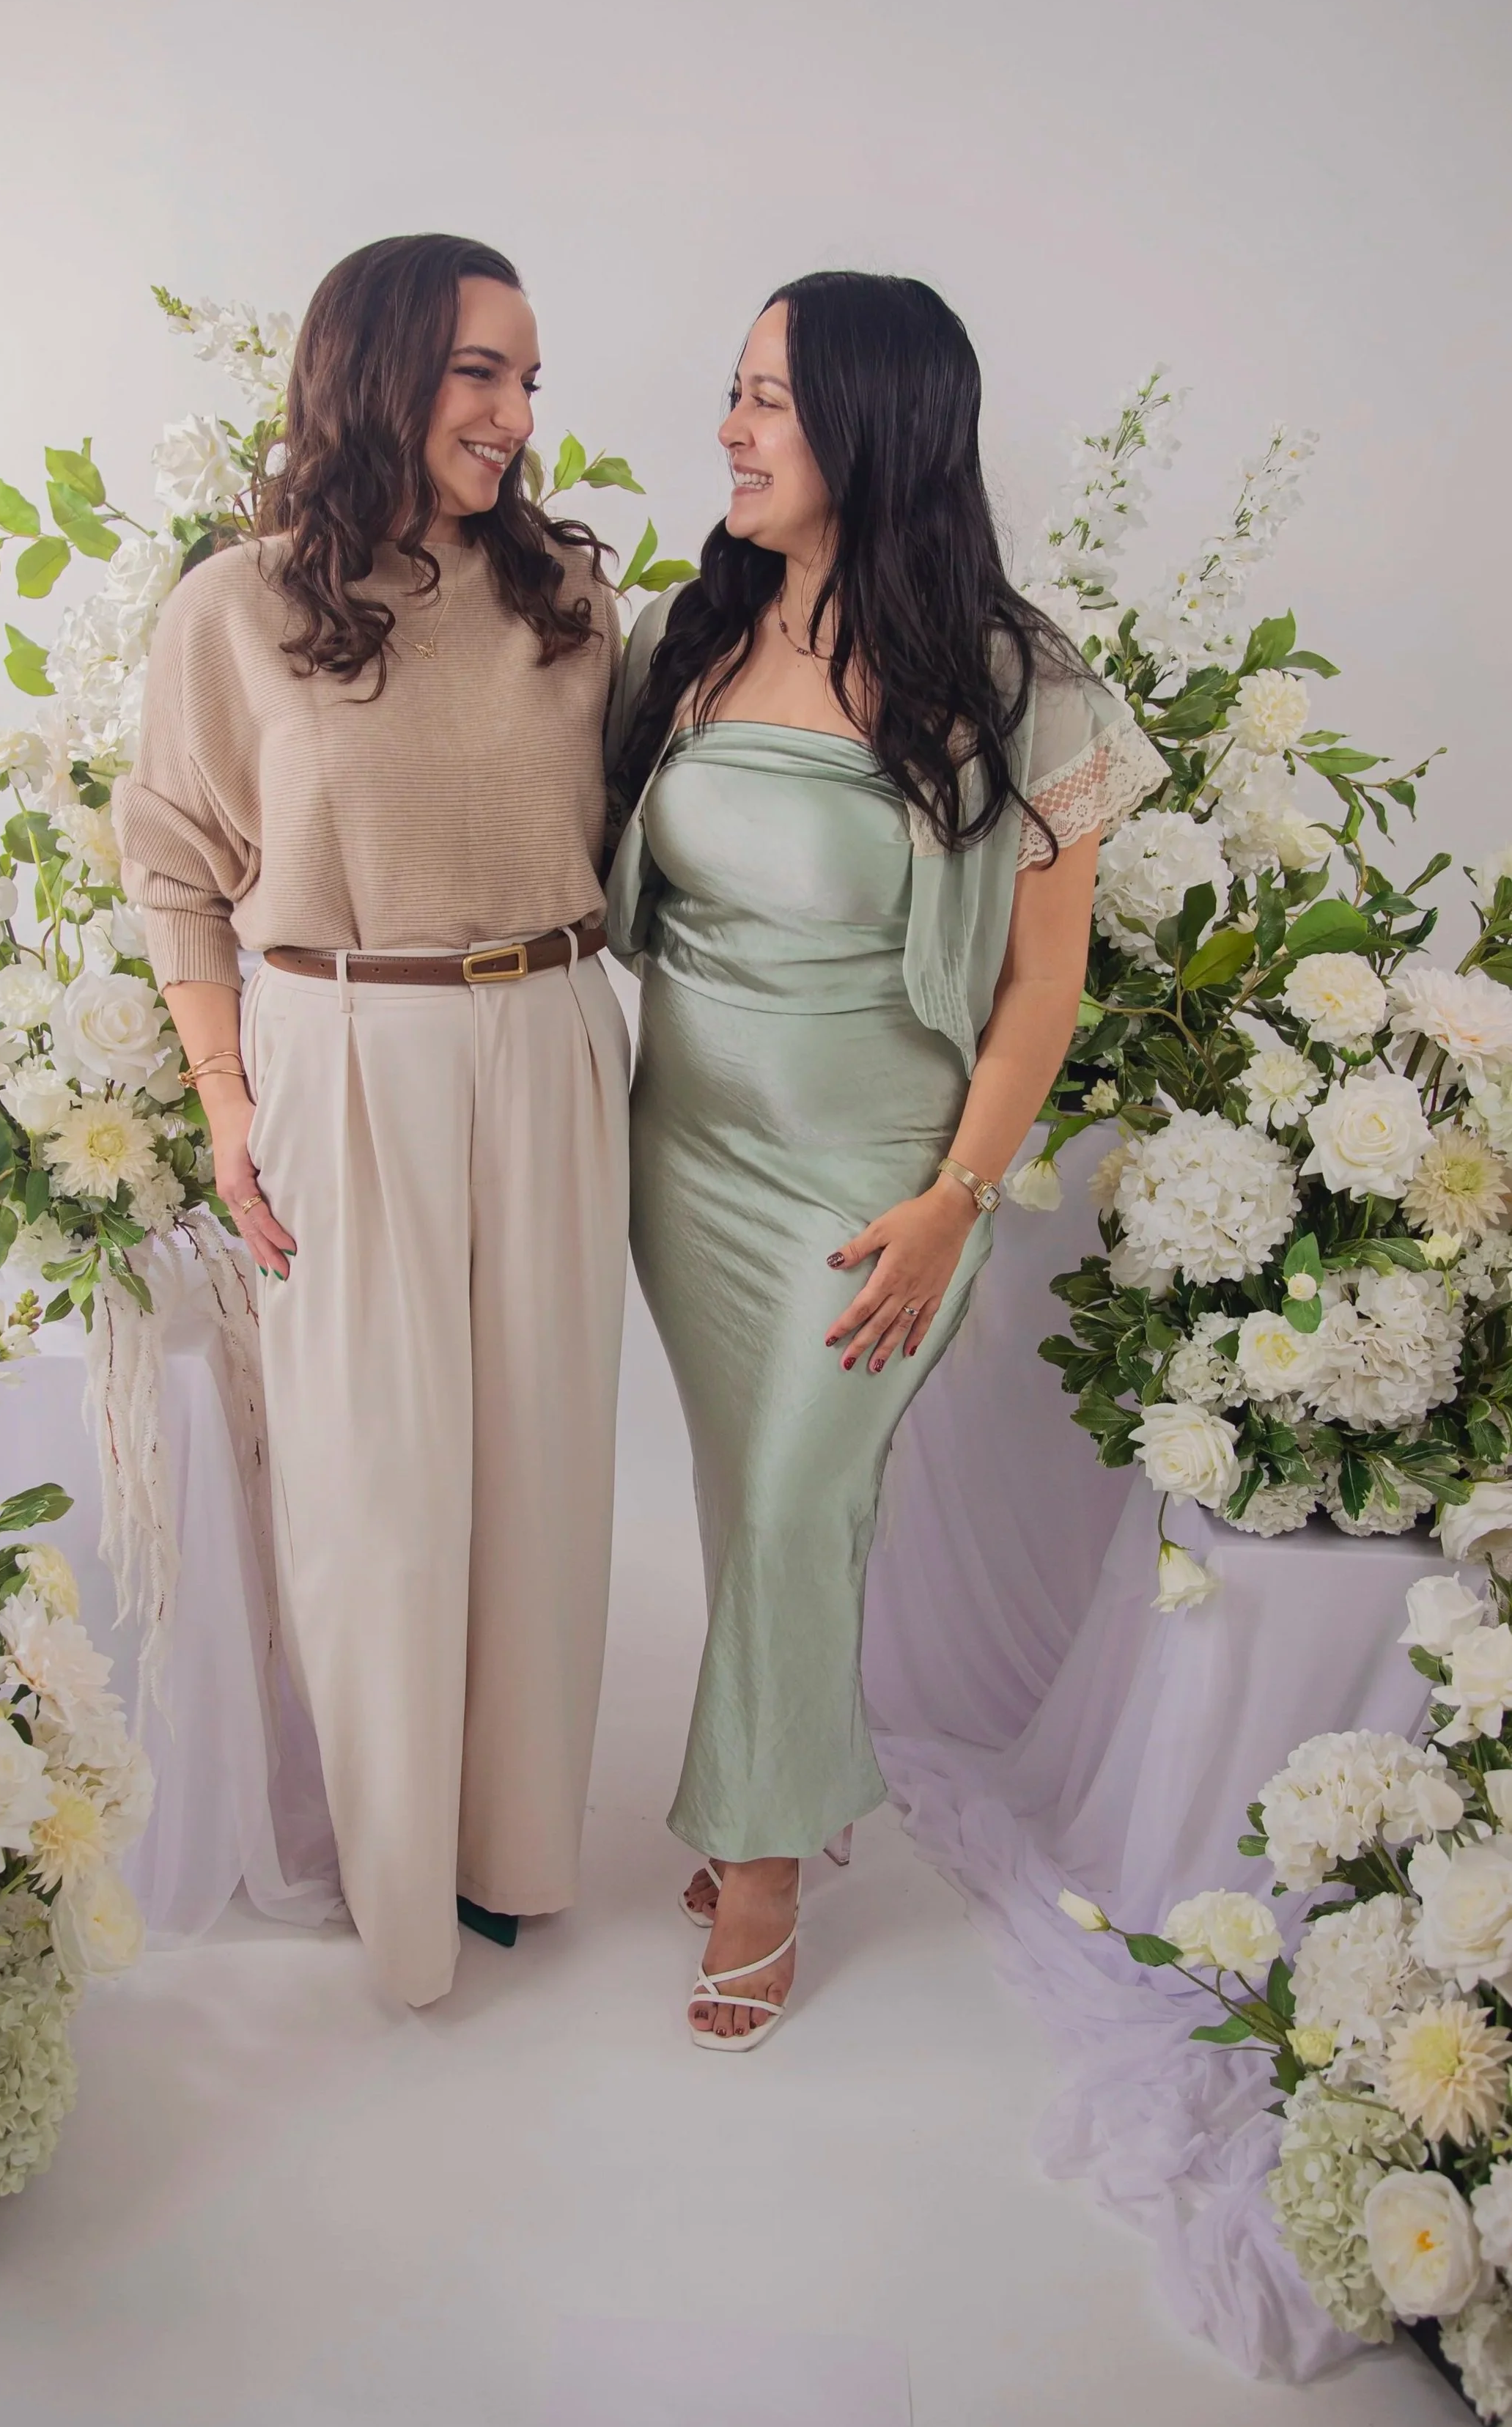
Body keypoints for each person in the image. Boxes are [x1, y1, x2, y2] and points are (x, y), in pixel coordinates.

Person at [606, 271, 1162, 2047]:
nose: (730, 428)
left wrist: (954, 1203)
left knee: (793, 1495)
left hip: (882, 1180)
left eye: (769, 397)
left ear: (877, 424)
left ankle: (761, 1856)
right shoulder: (684, 639)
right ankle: (792, 1771)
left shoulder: (1019, 683)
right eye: (736, 390)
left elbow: (1041, 985)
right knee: (749, 1496)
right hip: (684, 1150)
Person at [115, 233, 631, 2008]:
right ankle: (402, 1888)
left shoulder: (566, 588)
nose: (512, 412)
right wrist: (224, 1100)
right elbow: (175, 866)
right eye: (480, 371)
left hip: (559, 1027)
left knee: (546, 1462)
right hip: (346, 1043)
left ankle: (516, 1856)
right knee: (377, 1481)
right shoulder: (236, 607)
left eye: (530, 379)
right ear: (379, 370)